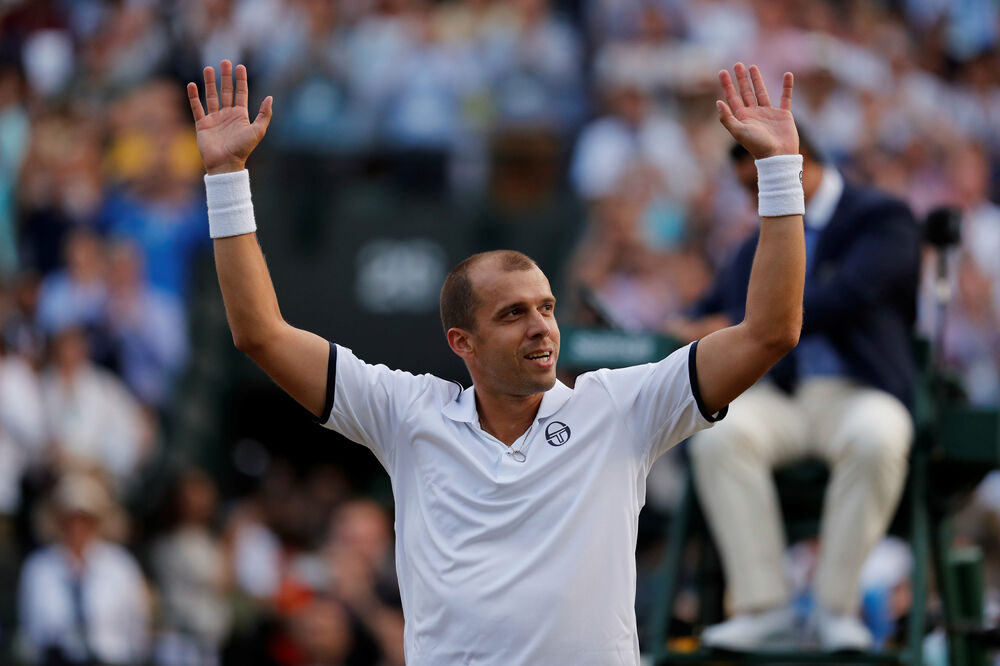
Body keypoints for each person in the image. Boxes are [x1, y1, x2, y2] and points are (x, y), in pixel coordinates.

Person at [187, 59, 806, 664]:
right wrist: (226, 179)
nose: (542, 327)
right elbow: (260, 335)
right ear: (463, 342)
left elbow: (769, 334)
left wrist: (779, 172)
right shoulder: (406, 414)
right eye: (513, 313)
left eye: (547, 307)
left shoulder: (622, 407)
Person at [668, 136, 920, 651]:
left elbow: (848, 295)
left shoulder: (882, 216)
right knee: (718, 435)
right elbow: (706, 308)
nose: (754, 198)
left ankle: (836, 608)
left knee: (879, 435)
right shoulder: (753, 243)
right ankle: (765, 608)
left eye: (758, 183)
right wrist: (680, 324)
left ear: (795, 166)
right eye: (746, 188)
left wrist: (739, 322)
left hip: (857, 390)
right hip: (781, 397)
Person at [18, 473, 150, 665]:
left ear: (96, 522)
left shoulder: (120, 566)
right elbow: (31, 632)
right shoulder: (38, 568)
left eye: (84, 519)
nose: (76, 527)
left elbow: (137, 627)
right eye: (70, 519)